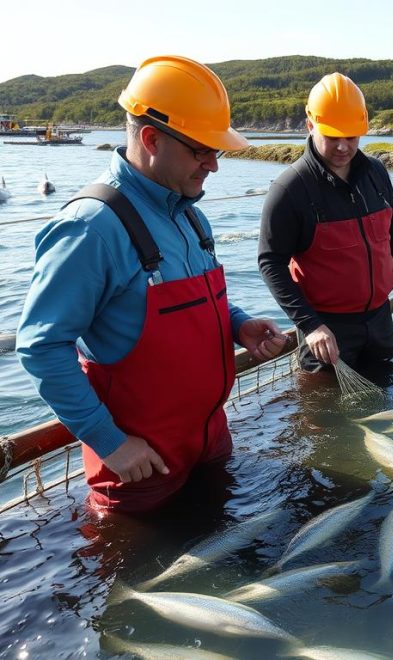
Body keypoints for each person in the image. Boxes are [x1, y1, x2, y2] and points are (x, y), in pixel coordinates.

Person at [16, 55, 288, 513]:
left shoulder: (191, 215)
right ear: (150, 138)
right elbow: (41, 346)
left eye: (215, 151)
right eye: (201, 150)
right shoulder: (90, 228)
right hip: (139, 467)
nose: (213, 166)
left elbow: (187, 302)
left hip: (209, 441)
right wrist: (111, 444)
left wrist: (237, 324)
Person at [258, 72, 393, 374]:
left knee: (388, 405)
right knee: (322, 416)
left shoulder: (376, 172)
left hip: (380, 321)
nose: (343, 147)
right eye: (332, 137)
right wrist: (310, 325)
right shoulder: (289, 189)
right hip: (326, 331)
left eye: (351, 137)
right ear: (310, 125)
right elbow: (270, 262)